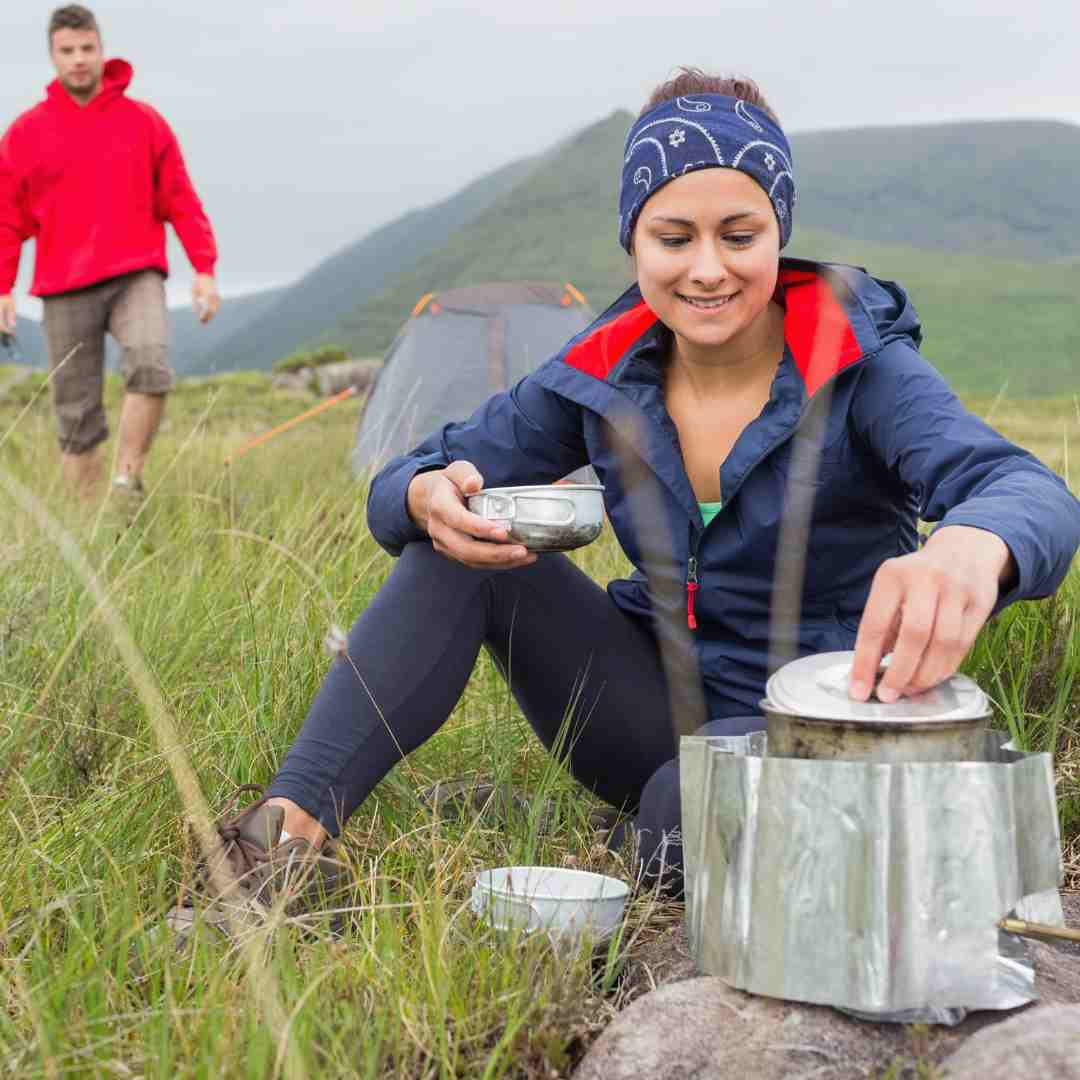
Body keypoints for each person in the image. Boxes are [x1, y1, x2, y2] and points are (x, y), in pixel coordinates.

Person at [167, 70, 1080, 939]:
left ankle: (651, 840)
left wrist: (971, 544)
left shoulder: (859, 366)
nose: (708, 269)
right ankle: (279, 843)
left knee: (681, 816)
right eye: (673, 238)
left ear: (780, 232)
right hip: (645, 710)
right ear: (634, 243)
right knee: (455, 549)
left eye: (740, 234)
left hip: (817, 724)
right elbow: (406, 477)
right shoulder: (602, 376)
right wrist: (419, 494)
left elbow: (1027, 490)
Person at [0, 5, 220, 500]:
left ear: (101, 50)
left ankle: (126, 480)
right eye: (67, 51)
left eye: (87, 48)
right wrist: (3, 288)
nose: (78, 59)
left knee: (149, 359)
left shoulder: (143, 122)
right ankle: (98, 526)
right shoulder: (24, 134)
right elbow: (7, 220)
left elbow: (180, 198)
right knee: (75, 415)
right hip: (61, 286)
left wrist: (203, 268)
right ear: (53, 57)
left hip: (134, 272)